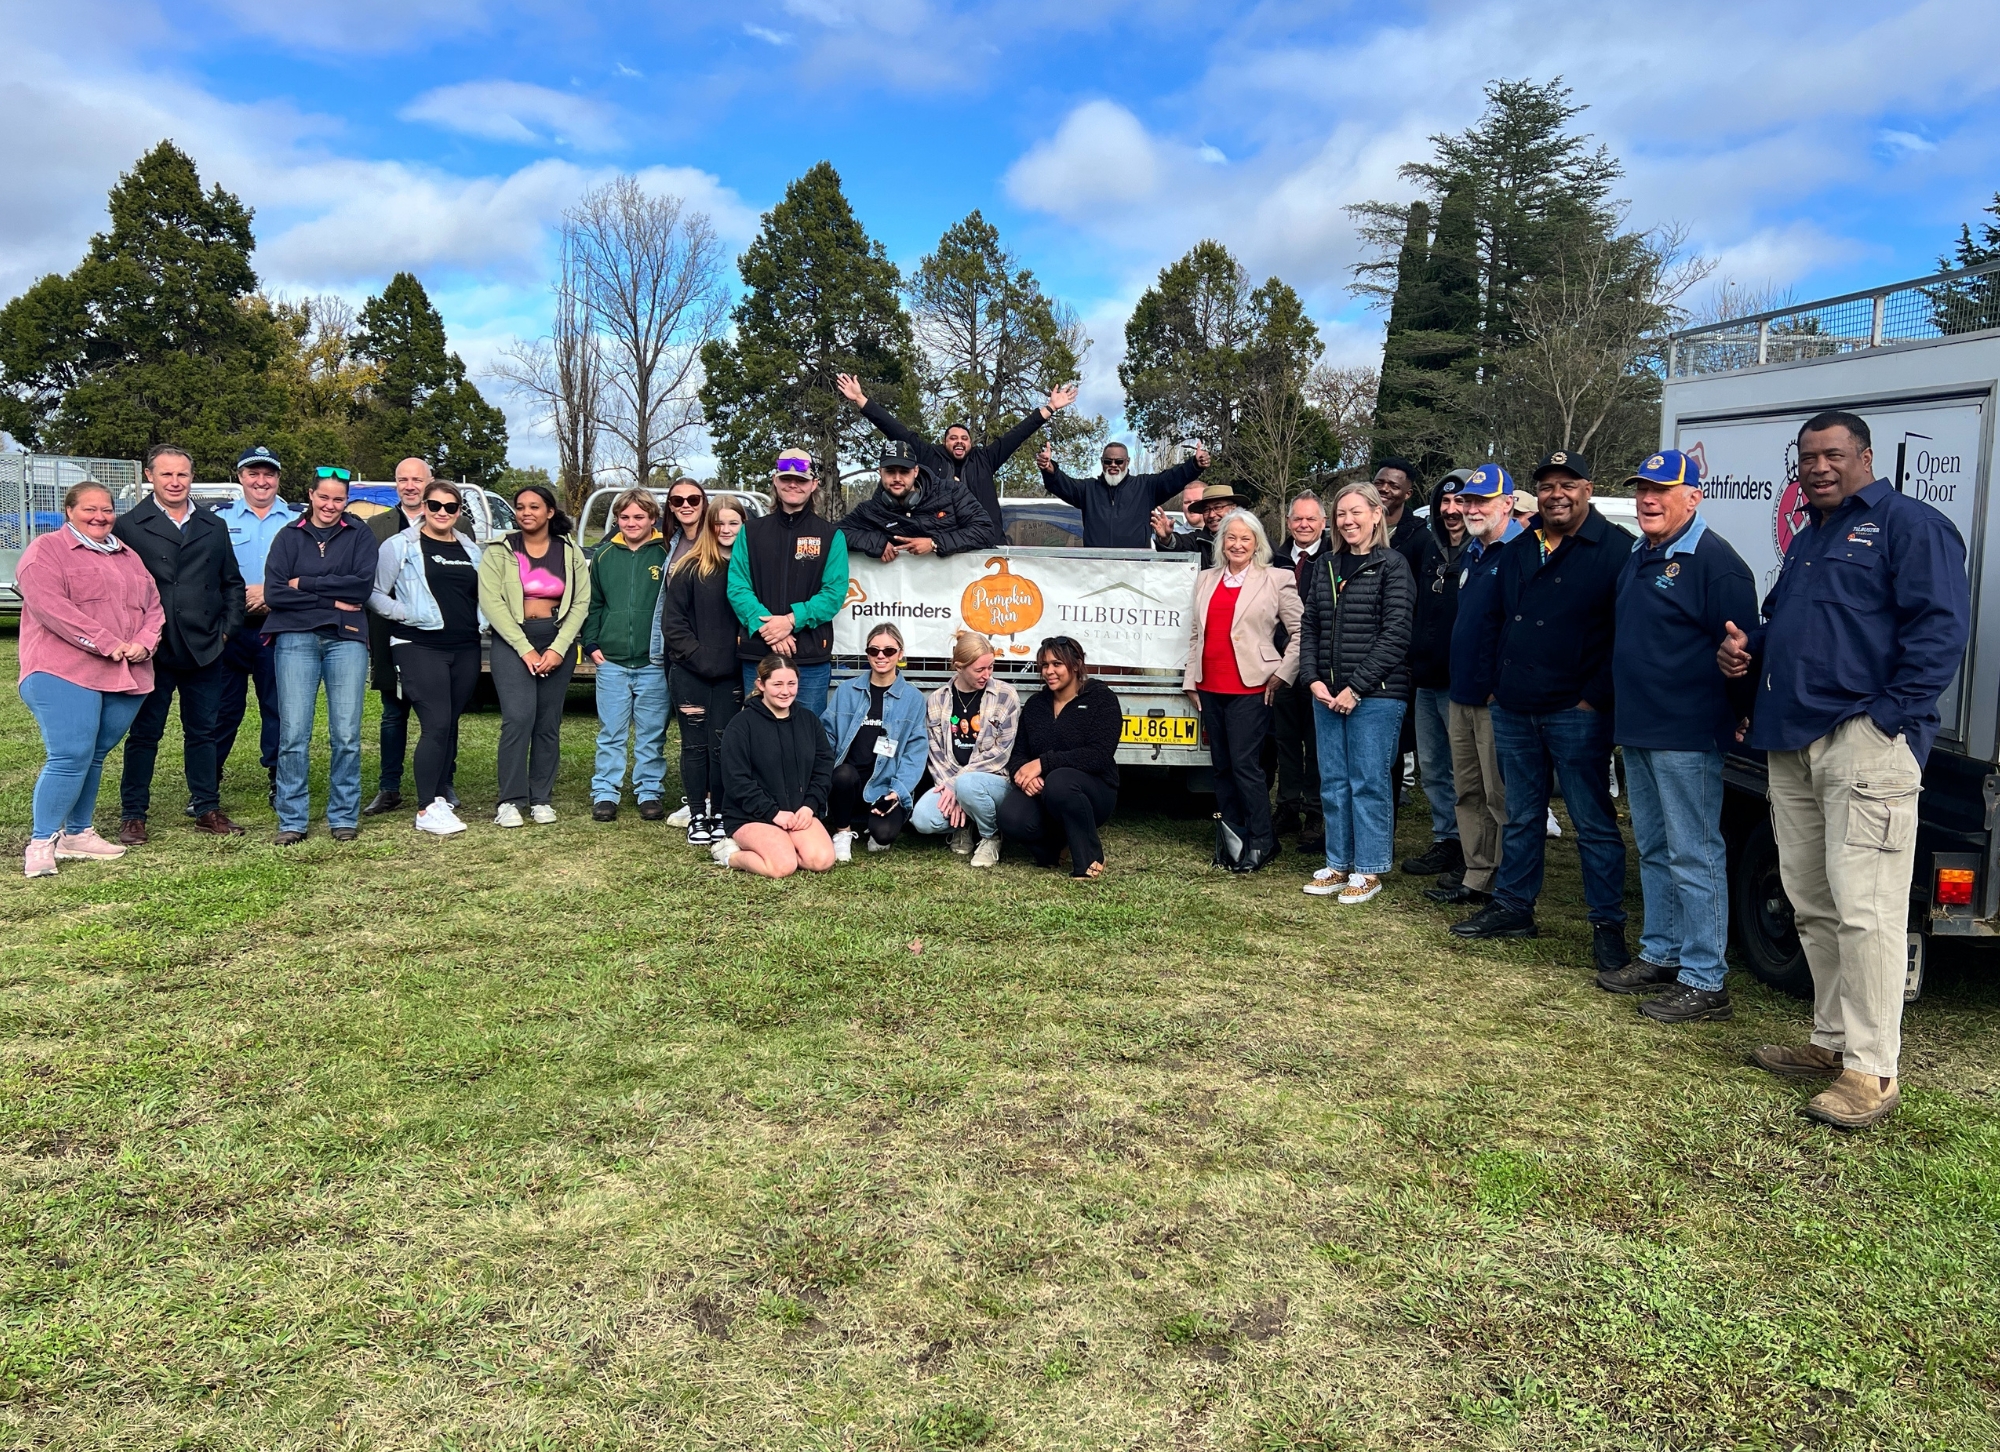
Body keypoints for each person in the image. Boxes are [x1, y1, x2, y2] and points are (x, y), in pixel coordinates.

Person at [1720, 411, 1970, 1130]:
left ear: (1864, 456)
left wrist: (1889, 718)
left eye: (1832, 454)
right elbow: (1798, 626)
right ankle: (1831, 1043)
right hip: (1792, 741)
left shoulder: (1909, 525)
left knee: (1868, 911)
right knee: (1813, 900)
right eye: (1807, 457)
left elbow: (1939, 631)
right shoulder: (1810, 537)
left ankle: (1872, 1070)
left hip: (1862, 740)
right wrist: (1750, 651)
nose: (1818, 466)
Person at [1451, 451, 1633, 966]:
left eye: (1567, 484)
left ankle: (1606, 926)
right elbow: (1494, 619)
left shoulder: (1615, 550)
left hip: (1577, 712)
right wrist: (1495, 686)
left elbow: (1624, 636)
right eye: (1548, 485)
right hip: (1514, 707)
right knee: (1523, 815)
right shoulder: (1522, 547)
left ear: (1587, 489)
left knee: (1592, 823)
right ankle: (1513, 906)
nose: (1556, 493)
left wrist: (1592, 697)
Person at [1597, 450, 1758, 1021]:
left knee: (1695, 852)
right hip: (1639, 727)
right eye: (1642, 488)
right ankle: (1661, 954)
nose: (1648, 499)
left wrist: (1738, 711)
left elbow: (1744, 652)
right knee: (1658, 848)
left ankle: (1705, 978)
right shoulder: (1641, 554)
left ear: (1694, 497)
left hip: (1687, 732)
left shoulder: (1716, 563)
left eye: (1662, 490)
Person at [15, 482, 164, 877]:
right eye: (89, 509)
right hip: (62, 669)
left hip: (123, 672)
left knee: (94, 755)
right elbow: (51, 607)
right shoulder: (45, 551)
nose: (100, 516)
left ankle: (78, 833)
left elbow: (153, 606)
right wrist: (106, 642)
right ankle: (42, 841)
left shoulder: (127, 555)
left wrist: (145, 643)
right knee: (69, 756)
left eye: (107, 509)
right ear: (69, 511)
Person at [113, 444, 247, 844]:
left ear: (192, 477)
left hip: (205, 645)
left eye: (182, 474)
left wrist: (226, 630)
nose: (175, 482)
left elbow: (232, 583)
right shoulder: (129, 526)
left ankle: (207, 807)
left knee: (203, 731)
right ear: (150, 477)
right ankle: (133, 814)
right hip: (152, 648)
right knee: (144, 734)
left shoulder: (212, 525)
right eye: (166, 474)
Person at [1297, 482, 1415, 904]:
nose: (1348, 521)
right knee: (1333, 782)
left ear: (1376, 514)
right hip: (1325, 693)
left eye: (1356, 512)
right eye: (1341, 514)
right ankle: (1337, 863)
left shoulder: (1393, 565)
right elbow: (1309, 626)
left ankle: (1368, 870)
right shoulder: (1328, 564)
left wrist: (1356, 687)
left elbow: (1396, 633)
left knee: (1368, 781)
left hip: (1377, 696)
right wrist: (1311, 678)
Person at [262, 467, 380, 845]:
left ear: (346, 502)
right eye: (324, 497)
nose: (330, 505)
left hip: (346, 639)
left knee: (346, 733)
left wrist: (306, 584)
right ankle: (292, 818)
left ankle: (343, 814)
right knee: (294, 733)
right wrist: (331, 599)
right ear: (310, 495)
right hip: (295, 638)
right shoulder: (288, 536)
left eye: (338, 499)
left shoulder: (361, 534)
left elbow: (360, 587)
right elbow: (275, 593)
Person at [1185, 508, 1301, 873]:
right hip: (1210, 685)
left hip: (1252, 686)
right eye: (1231, 538)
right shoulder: (1205, 579)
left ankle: (1263, 840)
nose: (1237, 544)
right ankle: (1232, 839)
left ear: (1257, 544)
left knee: (1245, 766)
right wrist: (1191, 679)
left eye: (1245, 538)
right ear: (1222, 542)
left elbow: (1301, 632)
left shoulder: (1276, 578)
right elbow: (1195, 635)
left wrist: (1282, 673)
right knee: (1220, 768)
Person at [368, 479, 484, 837]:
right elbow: (374, 593)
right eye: (435, 506)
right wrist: (404, 613)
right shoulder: (400, 545)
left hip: (464, 646)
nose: (442, 513)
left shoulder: (470, 548)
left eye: (451, 507)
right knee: (435, 723)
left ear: (458, 511)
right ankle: (426, 807)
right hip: (419, 644)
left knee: (449, 722)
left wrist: (485, 622)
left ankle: (440, 795)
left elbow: (484, 595)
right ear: (425, 507)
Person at [1433, 464, 1526, 908]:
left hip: (1495, 699)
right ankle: (1476, 874)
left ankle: (1508, 885)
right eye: (1468, 501)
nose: (1471, 509)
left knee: (1498, 793)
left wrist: (1499, 684)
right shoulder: (1473, 552)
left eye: (1482, 501)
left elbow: (1521, 628)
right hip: (1461, 691)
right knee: (1467, 789)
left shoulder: (1520, 552)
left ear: (1507, 503)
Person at [837, 372, 1079, 534]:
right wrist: (860, 399)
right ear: (944, 442)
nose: (959, 442)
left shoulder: (986, 459)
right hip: (942, 544)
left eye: (964, 438)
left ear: (971, 443)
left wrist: (1050, 408)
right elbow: (893, 428)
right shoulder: (928, 456)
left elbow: (1017, 434)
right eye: (953, 438)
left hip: (985, 543)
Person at [479, 483, 591, 828]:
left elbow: (581, 602)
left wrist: (559, 648)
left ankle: (541, 798)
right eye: (521, 507)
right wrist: (524, 647)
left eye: (534, 507)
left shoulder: (568, 551)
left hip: (556, 639)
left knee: (547, 722)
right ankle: (510, 800)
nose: (526, 513)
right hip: (513, 639)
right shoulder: (500, 550)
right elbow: (491, 602)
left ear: (549, 512)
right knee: (518, 717)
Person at [727, 449, 847, 719]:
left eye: (801, 480)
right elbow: (737, 586)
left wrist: (791, 621)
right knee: (757, 731)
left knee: (807, 732)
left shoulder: (831, 535)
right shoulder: (751, 532)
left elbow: (833, 593)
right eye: (786, 478)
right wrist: (768, 626)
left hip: (809, 656)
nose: (793, 484)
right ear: (775, 481)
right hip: (758, 652)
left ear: (814, 484)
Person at [1399, 468, 1475, 882]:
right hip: (1426, 677)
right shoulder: (1429, 549)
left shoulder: (1483, 552)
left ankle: (1472, 849)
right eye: (1445, 502)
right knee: (1432, 766)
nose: (1451, 510)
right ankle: (1445, 839)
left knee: (1468, 770)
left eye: (1460, 502)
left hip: (1463, 683)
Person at [998, 636, 1122, 879]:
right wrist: (1024, 776)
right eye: (1044, 665)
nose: (1049, 671)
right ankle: (1054, 849)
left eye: (1057, 664)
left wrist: (1043, 763)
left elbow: (1099, 755)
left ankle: (1089, 860)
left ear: (1075, 665)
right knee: (1010, 817)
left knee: (1060, 781)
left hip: (1092, 791)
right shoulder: (1035, 705)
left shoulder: (1102, 699)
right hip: (1044, 791)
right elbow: (1019, 754)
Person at [213, 444, 296, 805]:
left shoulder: (297, 521)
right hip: (229, 629)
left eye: (269, 474)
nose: (261, 481)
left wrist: (272, 591)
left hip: (276, 627)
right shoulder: (218, 520)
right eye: (253, 473)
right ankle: (207, 781)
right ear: (240, 477)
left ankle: (279, 778)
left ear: (278, 478)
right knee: (220, 708)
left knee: (278, 706)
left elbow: (311, 572)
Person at [583, 488, 671, 823]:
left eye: (639, 517)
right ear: (617, 519)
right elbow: (594, 605)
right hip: (613, 662)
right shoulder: (604, 555)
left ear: (652, 519)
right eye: (624, 517)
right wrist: (592, 644)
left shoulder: (665, 552)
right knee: (611, 732)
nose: (631, 522)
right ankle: (606, 791)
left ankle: (649, 790)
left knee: (651, 731)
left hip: (653, 662)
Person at [664, 500, 747, 844]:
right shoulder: (690, 568)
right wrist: (699, 658)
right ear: (709, 527)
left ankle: (721, 814)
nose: (726, 530)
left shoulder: (748, 571)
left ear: (744, 526)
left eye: (734, 523)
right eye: (719, 523)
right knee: (695, 746)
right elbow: (673, 623)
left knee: (723, 746)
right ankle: (698, 814)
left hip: (732, 675)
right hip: (690, 673)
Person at [711, 655, 837, 879]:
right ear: (761, 685)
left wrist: (809, 806)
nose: (785, 691)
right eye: (777, 684)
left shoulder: (809, 721)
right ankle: (729, 854)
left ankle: (784, 844)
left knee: (821, 860)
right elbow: (736, 779)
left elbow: (823, 767)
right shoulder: (741, 725)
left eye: (791, 684)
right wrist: (773, 813)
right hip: (751, 815)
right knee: (782, 866)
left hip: (798, 812)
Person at [910, 629, 1022, 868]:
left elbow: (1001, 754)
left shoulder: (1006, 696)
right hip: (950, 780)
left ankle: (991, 836)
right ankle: (965, 825)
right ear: (959, 667)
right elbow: (935, 754)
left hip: (992, 781)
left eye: (990, 667)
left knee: (968, 785)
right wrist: (952, 786)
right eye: (979, 669)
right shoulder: (937, 700)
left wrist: (958, 784)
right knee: (921, 819)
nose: (987, 674)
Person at [823, 623, 928, 861]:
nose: (881, 656)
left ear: (900, 654)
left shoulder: (913, 698)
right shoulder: (847, 691)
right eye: (874, 650)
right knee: (843, 774)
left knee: (883, 837)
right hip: (847, 783)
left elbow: (915, 752)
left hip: (885, 786)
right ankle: (842, 832)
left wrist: (898, 791)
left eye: (889, 651)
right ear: (867, 653)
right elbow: (827, 735)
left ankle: (874, 823)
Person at [1270, 492, 1329, 851]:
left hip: (1320, 666)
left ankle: (1316, 812)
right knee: (1286, 740)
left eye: (1311, 519)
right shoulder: (1274, 559)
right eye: (1297, 519)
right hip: (1281, 663)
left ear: (1323, 523)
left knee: (1317, 743)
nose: (1303, 525)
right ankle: (1287, 806)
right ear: (1288, 522)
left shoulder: (1334, 559)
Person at [839, 440, 999, 561]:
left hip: (953, 594)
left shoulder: (953, 492)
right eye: (890, 472)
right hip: (901, 602)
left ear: (915, 471)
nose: (897, 478)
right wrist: (874, 543)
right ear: (880, 472)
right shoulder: (870, 510)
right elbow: (835, 533)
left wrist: (935, 543)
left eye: (904, 472)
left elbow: (985, 530)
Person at [1036, 439, 1209, 550]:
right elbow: (1062, 484)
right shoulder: (1088, 489)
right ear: (1102, 463)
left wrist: (1195, 465)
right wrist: (1049, 468)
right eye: (1107, 461)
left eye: (1119, 461)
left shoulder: (1145, 487)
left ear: (1127, 462)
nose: (1113, 465)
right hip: (1095, 570)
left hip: (1135, 570)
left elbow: (1173, 478)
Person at [1150, 482, 1243, 569]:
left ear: (1233, 508)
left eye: (1218, 507)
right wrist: (1166, 538)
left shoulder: (1251, 534)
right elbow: (1180, 542)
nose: (1211, 515)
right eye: (1206, 510)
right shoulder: (1199, 540)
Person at [1373, 457, 1429, 567]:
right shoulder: (1358, 529)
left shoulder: (1421, 538)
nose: (1384, 489)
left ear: (1408, 494)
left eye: (1394, 486)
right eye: (1379, 483)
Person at [660, 478, 707, 570]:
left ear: (703, 503)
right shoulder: (670, 542)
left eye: (693, 500)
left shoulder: (716, 540)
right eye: (677, 501)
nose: (685, 505)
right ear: (671, 506)